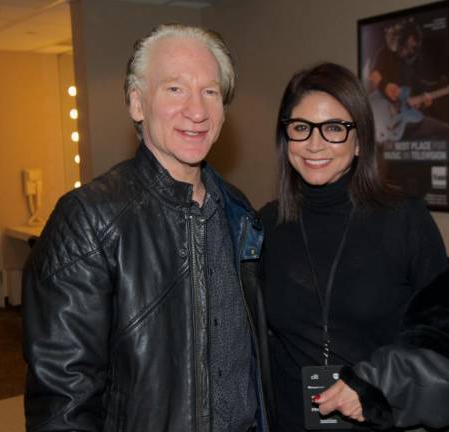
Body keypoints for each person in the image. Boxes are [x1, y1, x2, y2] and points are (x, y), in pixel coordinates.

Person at [22, 24, 268, 432]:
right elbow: (63, 401)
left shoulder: (239, 211)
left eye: (210, 92)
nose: (197, 110)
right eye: (175, 89)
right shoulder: (88, 219)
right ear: (137, 104)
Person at [257, 62, 449, 431]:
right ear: (285, 137)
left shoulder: (404, 220)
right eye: (301, 128)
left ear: (359, 142)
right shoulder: (266, 226)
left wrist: (375, 386)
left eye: (334, 128)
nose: (314, 143)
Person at [368, 19, 449, 143]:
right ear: (399, 39)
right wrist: (385, 86)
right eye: (407, 46)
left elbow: (419, 90)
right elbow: (374, 75)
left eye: (412, 48)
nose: (409, 51)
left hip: (403, 120)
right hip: (385, 117)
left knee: (446, 130)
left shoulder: (408, 67)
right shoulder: (385, 53)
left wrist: (425, 100)